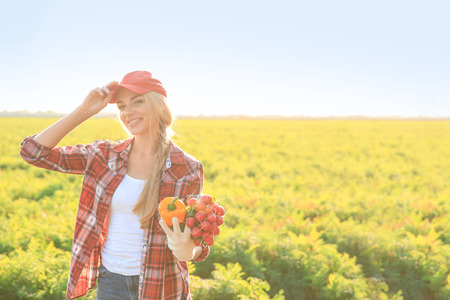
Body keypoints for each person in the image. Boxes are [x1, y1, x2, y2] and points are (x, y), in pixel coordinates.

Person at [20, 71, 209, 300]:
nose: (127, 112)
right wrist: (84, 111)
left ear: (159, 105)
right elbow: (33, 153)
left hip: (162, 286)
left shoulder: (186, 168)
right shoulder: (104, 156)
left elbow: (198, 239)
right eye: (121, 106)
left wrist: (189, 251)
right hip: (111, 283)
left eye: (137, 101)